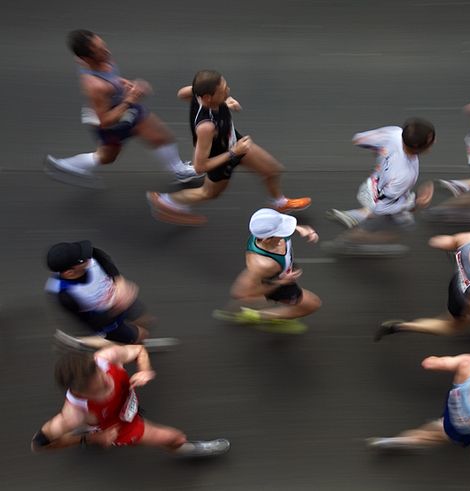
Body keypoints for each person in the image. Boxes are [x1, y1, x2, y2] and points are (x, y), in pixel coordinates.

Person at [146, 70, 311, 225]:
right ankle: (166, 201)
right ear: (208, 98)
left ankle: (280, 203)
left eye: (226, 86)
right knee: (209, 193)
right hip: (221, 159)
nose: (228, 90)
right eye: (223, 90)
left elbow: (181, 93)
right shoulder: (207, 127)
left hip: (234, 143)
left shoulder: (198, 95)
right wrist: (234, 152)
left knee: (272, 170)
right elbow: (199, 166)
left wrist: (224, 100)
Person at [45, 30, 200, 185]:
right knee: (115, 154)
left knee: (113, 155)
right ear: (86, 58)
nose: (107, 51)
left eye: (103, 45)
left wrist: (124, 83)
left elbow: (110, 77)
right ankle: (179, 171)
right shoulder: (95, 86)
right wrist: (130, 99)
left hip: (122, 108)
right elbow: (105, 121)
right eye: (99, 51)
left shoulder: (93, 59)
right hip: (113, 120)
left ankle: (67, 165)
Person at [31, 345, 229, 456]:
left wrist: (145, 370)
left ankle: (91, 427)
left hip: (125, 405)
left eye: (102, 376)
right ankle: (189, 449)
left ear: (96, 364)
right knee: (175, 437)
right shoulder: (71, 415)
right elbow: (40, 445)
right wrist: (92, 439)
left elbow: (139, 350)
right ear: (79, 392)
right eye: (96, 389)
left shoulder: (106, 357)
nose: (106, 384)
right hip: (119, 426)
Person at [367, 355, 470, 460]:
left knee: (434, 426)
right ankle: (399, 442)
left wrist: (433, 362)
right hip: (457, 430)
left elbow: (430, 363)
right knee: (429, 436)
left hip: (452, 407)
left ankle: (396, 439)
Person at [375, 226, 470, 340]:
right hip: (464, 303)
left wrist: (448, 249)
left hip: (456, 284)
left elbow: (440, 241)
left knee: (469, 314)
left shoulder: (468, 239)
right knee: (455, 327)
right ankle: (403, 326)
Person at [323, 119, 435, 252]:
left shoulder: (394, 133)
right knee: (394, 230)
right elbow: (383, 206)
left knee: (403, 224)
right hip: (379, 201)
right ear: (420, 148)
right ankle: (349, 236)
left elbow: (359, 139)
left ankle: (356, 219)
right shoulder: (405, 174)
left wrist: (380, 150)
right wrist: (417, 203)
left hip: (371, 185)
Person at [45, 240, 174, 350]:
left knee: (145, 320)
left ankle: (125, 340)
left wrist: (119, 281)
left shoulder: (87, 255)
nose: (89, 258)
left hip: (121, 296)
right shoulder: (64, 294)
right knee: (140, 336)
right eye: (83, 260)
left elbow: (104, 259)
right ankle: (90, 344)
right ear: (69, 273)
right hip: (106, 317)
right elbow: (87, 321)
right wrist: (116, 308)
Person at [212, 208, 321, 333]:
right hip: (278, 283)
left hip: (279, 270)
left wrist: (300, 229)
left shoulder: (265, 232)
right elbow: (244, 292)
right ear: (267, 239)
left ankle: (242, 309)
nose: (287, 232)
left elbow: (280, 225)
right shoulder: (262, 264)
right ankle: (260, 317)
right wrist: (281, 282)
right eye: (283, 231)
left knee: (246, 292)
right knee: (313, 304)